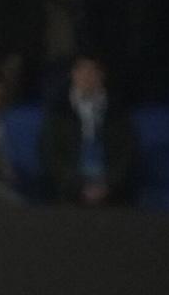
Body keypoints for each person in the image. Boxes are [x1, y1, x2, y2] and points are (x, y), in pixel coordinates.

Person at [40, 55, 138, 206]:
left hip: (113, 190)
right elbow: (50, 155)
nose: (86, 76)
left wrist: (109, 185)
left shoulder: (117, 112)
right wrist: (77, 186)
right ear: (73, 74)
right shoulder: (58, 112)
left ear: (101, 75)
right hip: (68, 191)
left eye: (92, 71)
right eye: (81, 70)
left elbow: (127, 154)